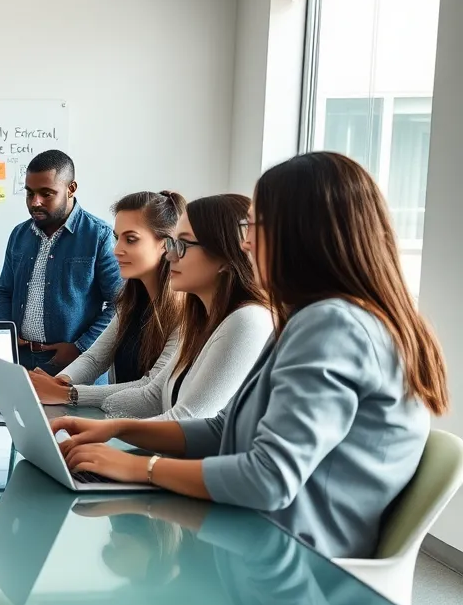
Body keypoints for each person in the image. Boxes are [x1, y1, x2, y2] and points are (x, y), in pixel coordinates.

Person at [55, 152, 449, 559]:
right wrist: (118, 431)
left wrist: (141, 468)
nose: (245, 241)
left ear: (302, 234)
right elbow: (224, 428)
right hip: (256, 540)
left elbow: (269, 477)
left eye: (255, 226)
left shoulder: (333, 327)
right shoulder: (311, 318)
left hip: (295, 562)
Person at [61, 194, 272, 421]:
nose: (171, 254)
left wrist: (74, 397)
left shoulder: (246, 320)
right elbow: (152, 396)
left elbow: (187, 419)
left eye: (183, 245)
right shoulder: (198, 316)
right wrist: (62, 389)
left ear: (224, 252)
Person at [31, 190, 187, 408]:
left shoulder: (187, 313)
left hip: (157, 433)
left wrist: (69, 394)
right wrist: (58, 382)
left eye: (130, 240)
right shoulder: (131, 304)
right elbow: (95, 359)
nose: (116, 250)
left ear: (164, 245)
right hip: (121, 425)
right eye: (117, 238)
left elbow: (152, 389)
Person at [0, 150, 124, 374]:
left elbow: (121, 304)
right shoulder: (19, 235)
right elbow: (4, 292)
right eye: (30, 193)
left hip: (77, 365)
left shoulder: (98, 236)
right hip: (20, 361)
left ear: (71, 189)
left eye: (47, 194)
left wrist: (81, 347)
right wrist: (7, 335)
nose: (35, 202)